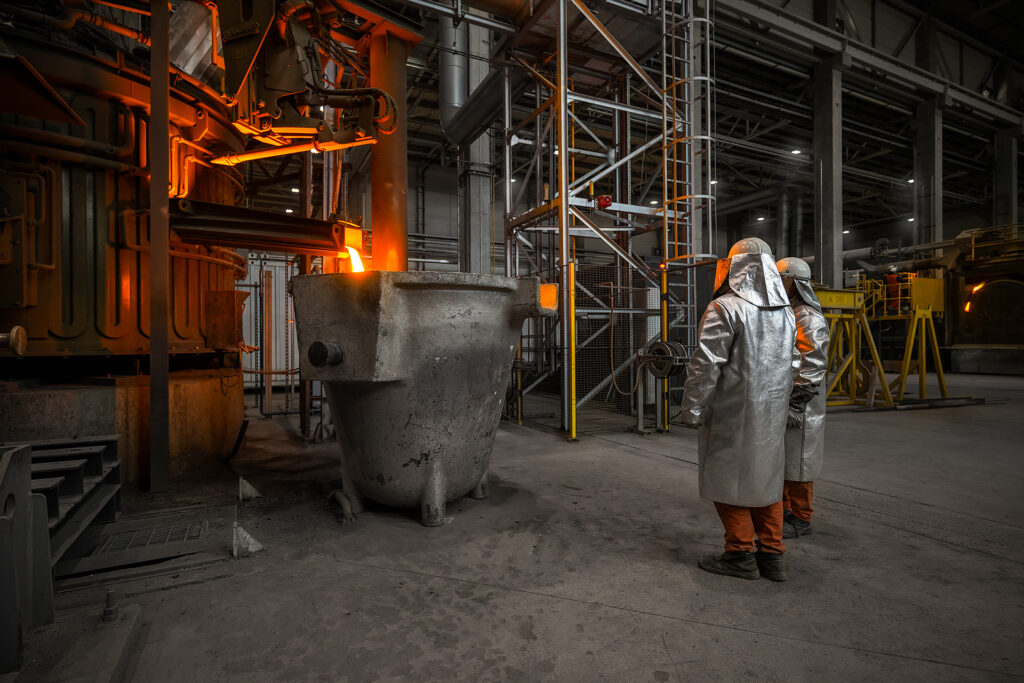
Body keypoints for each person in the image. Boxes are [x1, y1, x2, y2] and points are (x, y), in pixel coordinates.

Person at [681, 237, 800, 582]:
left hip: (732, 413)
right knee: (766, 482)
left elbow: (706, 364)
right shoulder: (786, 313)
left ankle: (740, 554)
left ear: (735, 268)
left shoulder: (724, 308)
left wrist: (692, 407)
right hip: (771, 414)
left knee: (729, 482)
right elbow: (793, 362)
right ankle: (773, 556)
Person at [776, 257, 830, 539]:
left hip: (803, 401)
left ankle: (801, 518)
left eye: (780, 280)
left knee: (800, 461)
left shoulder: (808, 317)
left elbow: (813, 364)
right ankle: (785, 511)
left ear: (793, 283)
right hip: (788, 397)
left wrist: (796, 403)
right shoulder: (790, 313)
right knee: (785, 460)